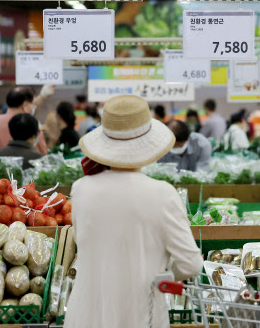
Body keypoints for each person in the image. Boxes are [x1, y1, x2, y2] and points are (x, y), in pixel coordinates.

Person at [65, 95, 202, 328]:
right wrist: (161, 275)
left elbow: (82, 242)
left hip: (85, 315)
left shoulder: (81, 189)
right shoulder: (162, 194)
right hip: (140, 314)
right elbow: (190, 264)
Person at [0, 86, 51, 167]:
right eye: (33, 104)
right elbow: (43, 159)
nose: (34, 107)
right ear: (25, 105)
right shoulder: (32, 126)